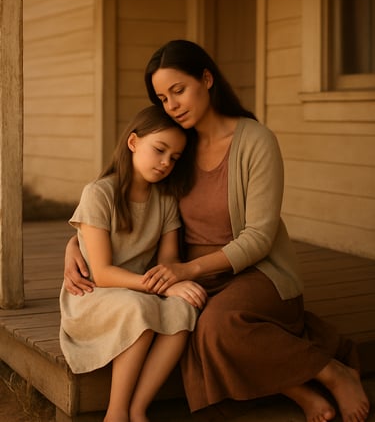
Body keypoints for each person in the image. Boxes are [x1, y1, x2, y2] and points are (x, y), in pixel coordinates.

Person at [64, 40, 370, 422]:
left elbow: (259, 237)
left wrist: (186, 271)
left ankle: (331, 371)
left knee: (215, 327)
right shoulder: (179, 146)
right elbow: (125, 197)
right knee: (194, 319)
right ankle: (303, 393)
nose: (172, 105)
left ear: (206, 79)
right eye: (162, 98)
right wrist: (77, 243)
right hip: (192, 274)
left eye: (179, 90)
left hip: (256, 270)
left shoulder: (256, 141)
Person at [59, 104, 207, 422]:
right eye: (160, 150)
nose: (166, 162)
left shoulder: (165, 200)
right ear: (133, 142)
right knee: (138, 308)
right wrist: (161, 286)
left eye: (175, 157)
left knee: (184, 309)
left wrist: (173, 281)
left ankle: (139, 408)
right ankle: (116, 412)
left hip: (137, 291)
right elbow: (101, 272)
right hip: (93, 295)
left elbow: (168, 259)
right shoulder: (100, 193)